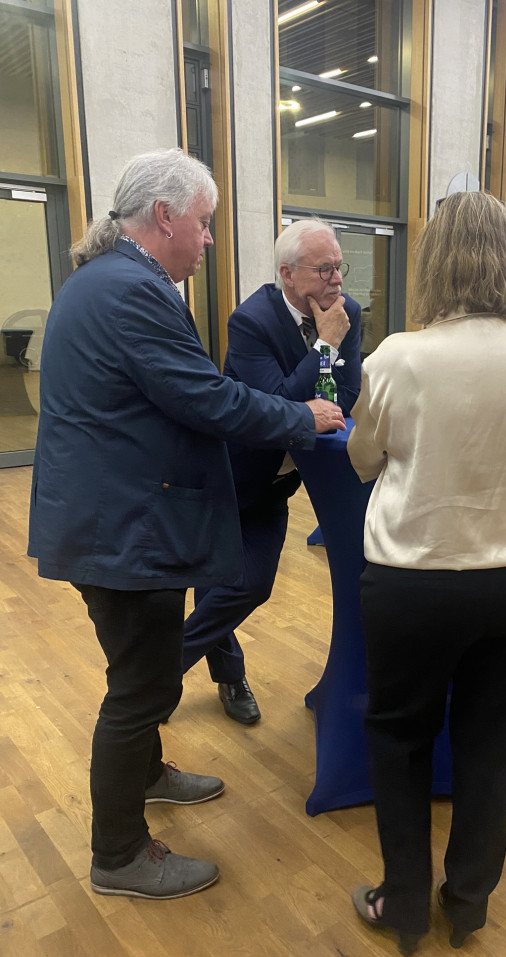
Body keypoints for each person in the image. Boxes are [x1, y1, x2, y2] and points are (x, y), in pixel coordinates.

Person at [27, 149, 345, 901]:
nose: (208, 239)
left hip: (110, 519)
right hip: (123, 529)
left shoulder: (112, 279)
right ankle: (119, 855)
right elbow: (207, 397)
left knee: (136, 675)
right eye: (203, 223)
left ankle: (146, 774)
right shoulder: (133, 290)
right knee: (139, 691)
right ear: (164, 216)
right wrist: (300, 415)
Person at [346, 191, 506, 955]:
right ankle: (469, 901)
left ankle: (405, 902)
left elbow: (364, 459)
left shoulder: (396, 355)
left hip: (416, 576)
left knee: (400, 734)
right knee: (492, 738)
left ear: (433, 263)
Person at [181, 219, 361, 723]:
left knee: (250, 585)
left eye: (339, 267)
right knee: (220, 583)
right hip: (225, 473)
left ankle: (158, 672)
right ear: (287, 273)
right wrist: (325, 348)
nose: (336, 279)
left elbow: (346, 397)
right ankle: (219, 675)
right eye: (323, 269)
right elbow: (276, 406)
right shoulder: (251, 321)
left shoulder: (346, 312)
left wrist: (320, 383)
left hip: (274, 482)